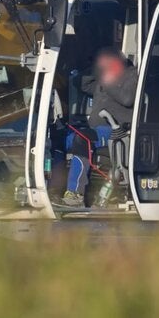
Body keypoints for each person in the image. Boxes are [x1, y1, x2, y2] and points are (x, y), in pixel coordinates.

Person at [61, 47, 137, 207]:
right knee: (60, 138)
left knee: (82, 140)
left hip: (117, 130)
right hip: (96, 129)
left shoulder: (132, 74)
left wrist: (109, 80)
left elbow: (127, 99)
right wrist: (96, 70)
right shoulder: (103, 77)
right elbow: (78, 82)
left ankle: (75, 193)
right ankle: (53, 186)